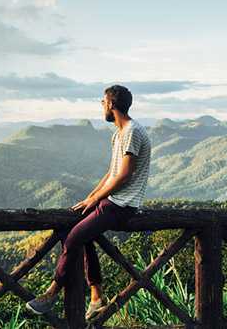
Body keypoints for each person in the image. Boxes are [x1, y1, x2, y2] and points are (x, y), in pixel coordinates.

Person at [25, 84, 152, 320]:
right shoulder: (119, 133)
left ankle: (52, 293)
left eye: (103, 102)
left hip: (122, 205)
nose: (102, 106)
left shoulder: (132, 131)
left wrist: (96, 199)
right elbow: (111, 172)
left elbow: (124, 175)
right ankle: (96, 296)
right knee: (83, 235)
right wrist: (90, 198)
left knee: (73, 238)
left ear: (112, 104)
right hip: (112, 201)